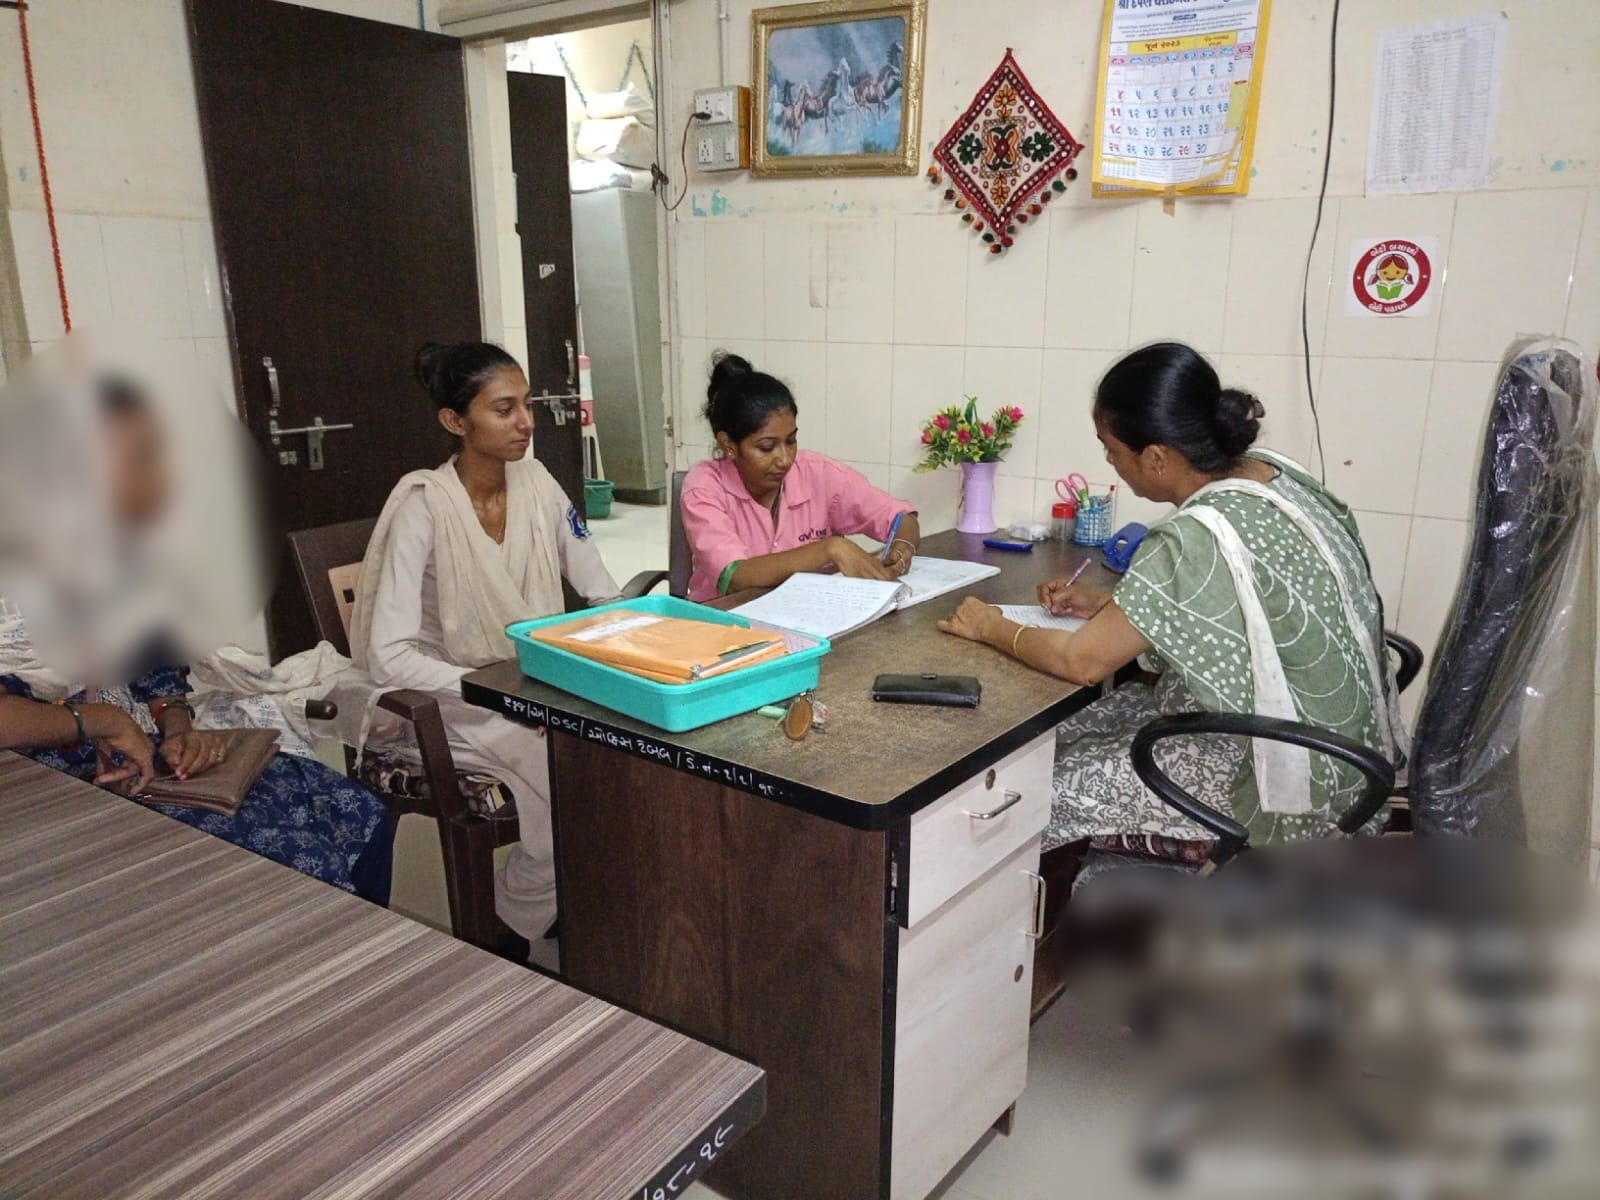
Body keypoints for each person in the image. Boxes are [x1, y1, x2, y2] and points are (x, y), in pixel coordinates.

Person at [939, 343, 1406, 856]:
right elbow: (1245, 605)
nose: (1111, 462)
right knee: (1048, 739)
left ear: (1156, 458)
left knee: (1019, 794)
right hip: (1348, 753)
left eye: (1111, 449)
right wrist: (1109, 607)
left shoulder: (1193, 535)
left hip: (1286, 778)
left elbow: (1080, 662)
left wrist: (990, 626)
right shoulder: (1274, 475)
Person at [0, 378, 392, 901]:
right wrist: (101, 721)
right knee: (305, 865)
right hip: (42, 776)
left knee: (359, 812)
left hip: (134, 749)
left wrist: (178, 728)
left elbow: (154, 662)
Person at [351, 341, 620, 951]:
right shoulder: (424, 506)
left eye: (527, 404)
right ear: (455, 421)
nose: (526, 422)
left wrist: (615, 657)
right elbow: (389, 656)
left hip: (528, 686)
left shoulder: (538, 484)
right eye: (504, 409)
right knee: (570, 770)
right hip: (449, 696)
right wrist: (503, 692)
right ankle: (514, 914)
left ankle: (547, 898)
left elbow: (602, 593)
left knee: (619, 754)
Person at [681, 352, 921, 602]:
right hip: (723, 619)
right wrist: (830, 549)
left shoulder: (817, 473)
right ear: (728, 444)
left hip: (811, 615)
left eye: (791, 441)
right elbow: (735, 577)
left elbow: (902, 518)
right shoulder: (704, 488)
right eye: (766, 447)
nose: (784, 459)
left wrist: (902, 548)